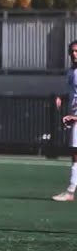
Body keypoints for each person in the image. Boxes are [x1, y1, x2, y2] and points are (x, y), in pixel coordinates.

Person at [53, 40, 77, 201]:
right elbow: (72, 92)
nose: (74, 54)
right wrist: (62, 96)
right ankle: (70, 189)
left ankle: (70, 191)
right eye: (72, 51)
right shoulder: (71, 71)